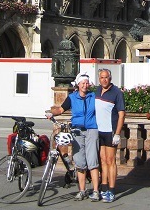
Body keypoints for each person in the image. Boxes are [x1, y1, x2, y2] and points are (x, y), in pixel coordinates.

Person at [49, 73, 101, 202]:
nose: (85, 85)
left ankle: (95, 191)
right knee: (80, 162)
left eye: (86, 83)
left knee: (93, 161)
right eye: (82, 83)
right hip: (77, 131)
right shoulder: (72, 98)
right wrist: (50, 113)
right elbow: (61, 109)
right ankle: (82, 190)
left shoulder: (93, 96)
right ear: (78, 84)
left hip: (91, 130)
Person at [95, 69, 126, 203]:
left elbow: (121, 114)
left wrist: (118, 133)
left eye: (106, 77)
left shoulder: (117, 92)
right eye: (102, 77)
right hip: (99, 131)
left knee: (110, 160)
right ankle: (104, 188)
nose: (104, 80)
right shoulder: (96, 91)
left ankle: (112, 191)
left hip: (110, 131)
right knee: (103, 160)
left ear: (110, 78)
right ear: (99, 79)